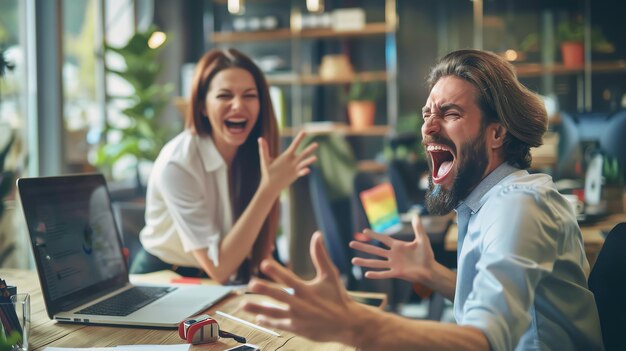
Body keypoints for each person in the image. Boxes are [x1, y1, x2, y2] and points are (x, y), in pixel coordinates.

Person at [242, 49, 604, 350]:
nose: (429, 127)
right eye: (428, 113)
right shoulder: (484, 201)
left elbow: (485, 341)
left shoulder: (519, 205)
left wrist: (355, 325)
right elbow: (498, 296)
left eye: (450, 113)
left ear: (497, 133)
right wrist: (435, 275)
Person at [132, 48, 318, 284]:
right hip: (164, 278)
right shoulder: (178, 164)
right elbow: (219, 267)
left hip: (222, 280)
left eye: (250, 95)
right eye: (224, 95)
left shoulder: (252, 153)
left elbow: (256, 249)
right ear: (202, 106)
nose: (238, 105)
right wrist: (269, 189)